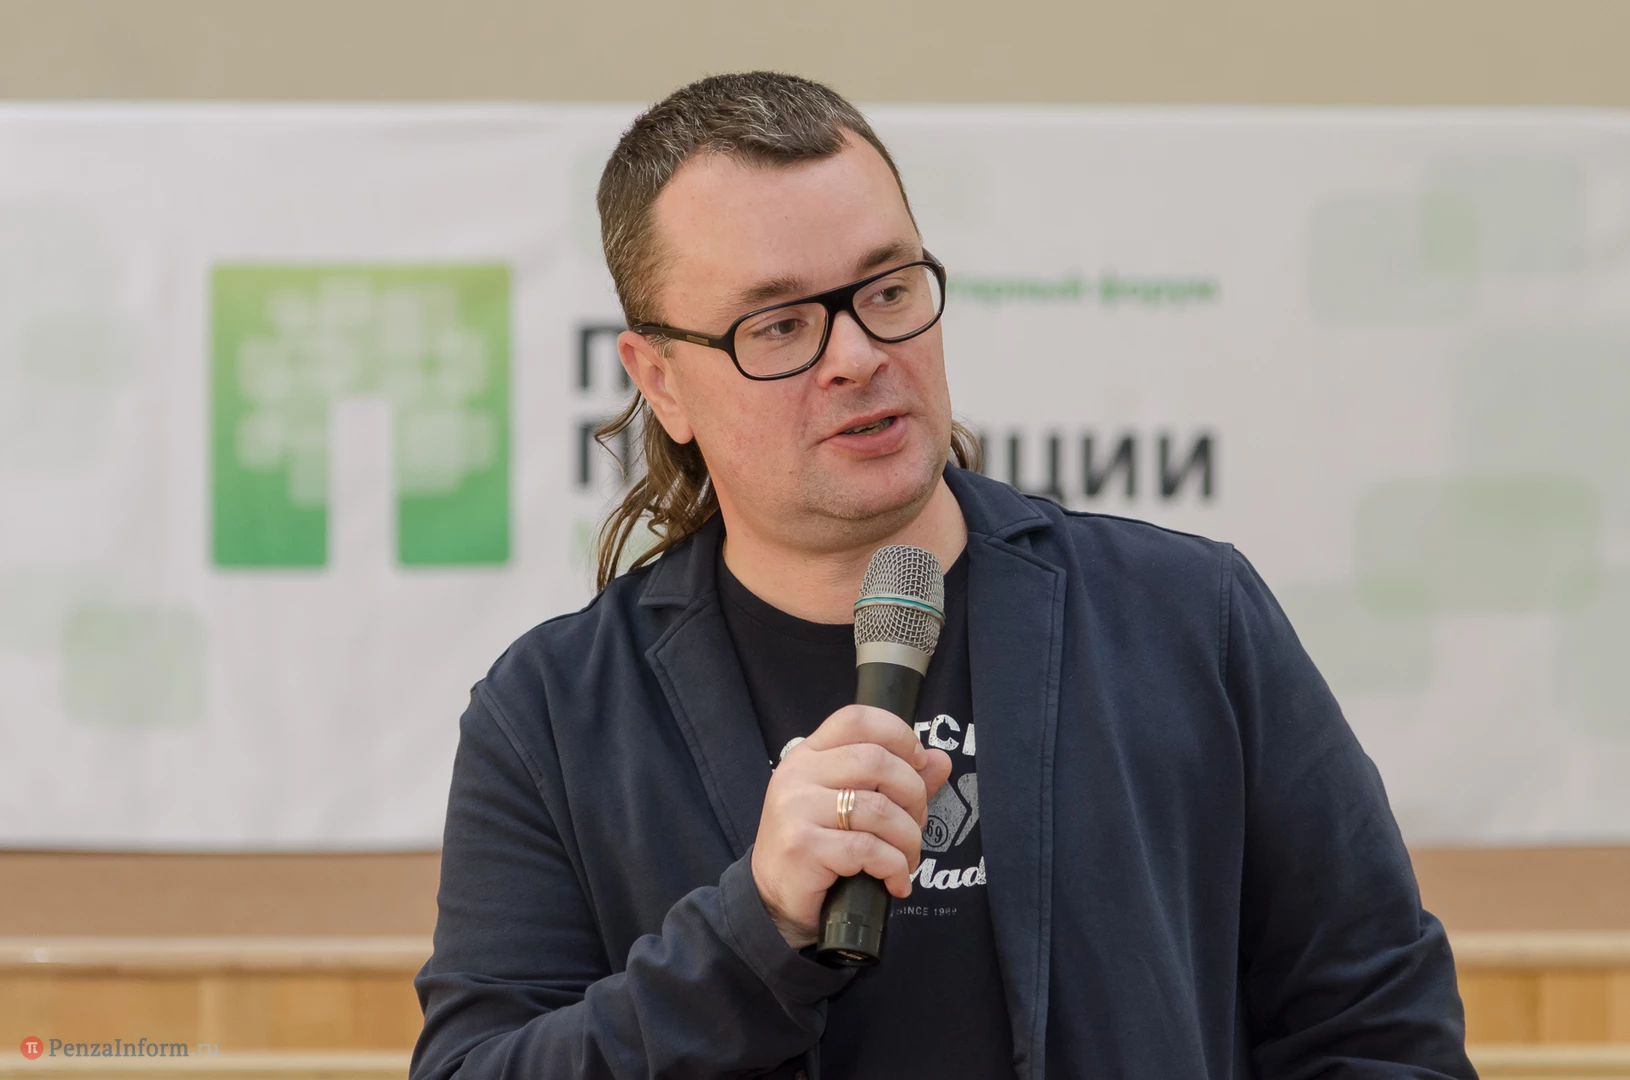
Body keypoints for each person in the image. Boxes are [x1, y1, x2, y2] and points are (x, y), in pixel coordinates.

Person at [410, 71, 1474, 1080]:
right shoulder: (552, 718)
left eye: (886, 289)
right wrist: (751, 932)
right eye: (779, 324)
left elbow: (1382, 1029)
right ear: (661, 381)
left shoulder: (1191, 620)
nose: (857, 355)